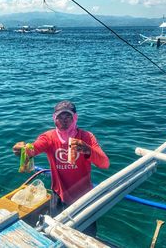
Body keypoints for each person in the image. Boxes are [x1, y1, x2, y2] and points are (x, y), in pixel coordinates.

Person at [12, 100, 109, 235]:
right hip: (58, 196)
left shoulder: (86, 137)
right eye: (60, 117)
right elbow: (34, 148)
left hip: (85, 196)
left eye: (68, 117)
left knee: (89, 235)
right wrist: (23, 150)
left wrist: (88, 150)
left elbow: (105, 163)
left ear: (75, 118)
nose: (64, 121)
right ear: (54, 119)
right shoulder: (49, 137)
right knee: (58, 234)